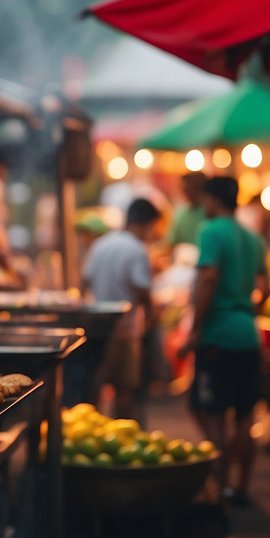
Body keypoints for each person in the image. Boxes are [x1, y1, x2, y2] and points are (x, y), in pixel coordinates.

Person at [181, 176, 268, 507]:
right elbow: (267, 286)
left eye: (205, 200)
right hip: (248, 335)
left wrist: (196, 328)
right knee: (245, 417)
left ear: (214, 200)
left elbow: (208, 279)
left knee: (212, 414)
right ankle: (241, 486)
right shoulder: (253, 237)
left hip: (218, 337)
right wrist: (245, 311)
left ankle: (218, 488)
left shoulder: (212, 231)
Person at [82, 198, 161, 420]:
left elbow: (84, 280)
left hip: (97, 327)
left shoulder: (101, 243)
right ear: (146, 223)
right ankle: (120, 429)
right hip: (126, 330)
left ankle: (94, 427)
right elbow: (141, 288)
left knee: (97, 384)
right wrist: (152, 317)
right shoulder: (137, 249)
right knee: (125, 387)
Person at [166, 172, 209, 250]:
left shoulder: (210, 212)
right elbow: (171, 242)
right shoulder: (180, 213)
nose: (184, 191)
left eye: (188, 188)